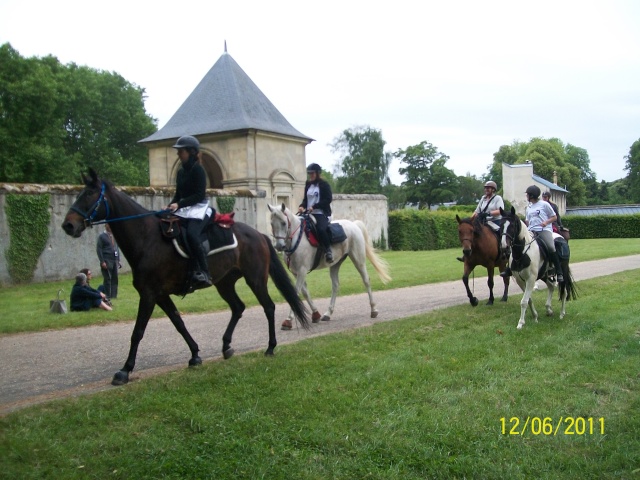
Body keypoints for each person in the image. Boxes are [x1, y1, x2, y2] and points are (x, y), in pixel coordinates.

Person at [165, 135, 213, 290]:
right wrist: (171, 205)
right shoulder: (180, 172)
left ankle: (204, 272)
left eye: (181, 151)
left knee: (192, 234)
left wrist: (179, 204)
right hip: (185, 209)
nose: (178, 154)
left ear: (191, 152)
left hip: (200, 208)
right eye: (178, 151)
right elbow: (179, 194)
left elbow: (199, 195)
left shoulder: (198, 170)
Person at [501, 185, 564, 282]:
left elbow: (554, 217)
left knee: (551, 247)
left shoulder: (544, 204)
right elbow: (527, 220)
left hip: (543, 230)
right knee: (516, 245)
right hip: (531, 231)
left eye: (527, 194)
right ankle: (509, 268)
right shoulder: (529, 207)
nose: (526, 196)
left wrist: (546, 222)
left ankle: (558, 271)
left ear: (532, 195)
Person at [457, 180, 504, 262]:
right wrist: (470, 221)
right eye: (485, 188)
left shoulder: (497, 198)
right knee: (472, 233)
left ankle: (504, 253)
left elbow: (500, 210)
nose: (486, 190)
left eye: (488, 188)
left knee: (500, 234)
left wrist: (489, 213)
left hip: (495, 221)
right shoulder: (483, 198)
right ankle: (467, 255)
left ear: (493, 189)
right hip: (484, 222)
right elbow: (476, 211)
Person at [298, 163, 334, 263]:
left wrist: (314, 207)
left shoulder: (324, 185)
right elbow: (306, 200)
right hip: (308, 213)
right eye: (309, 173)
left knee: (321, 229)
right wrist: (302, 206)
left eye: (312, 173)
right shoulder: (308, 185)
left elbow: (328, 199)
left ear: (317, 173)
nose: (311, 175)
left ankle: (328, 250)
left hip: (321, 213)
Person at [96, 224, 120, 299]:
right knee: (107, 278)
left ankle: (113, 295)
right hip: (107, 259)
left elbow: (116, 248)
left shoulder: (114, 236)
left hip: (114, 260)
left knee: (114, 278)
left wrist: (118, 260)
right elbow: (99, 249)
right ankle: (107, 295)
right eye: (109, 225)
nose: (110, 227)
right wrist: (102, 261)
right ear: (106, 226)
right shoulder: (102, 236)